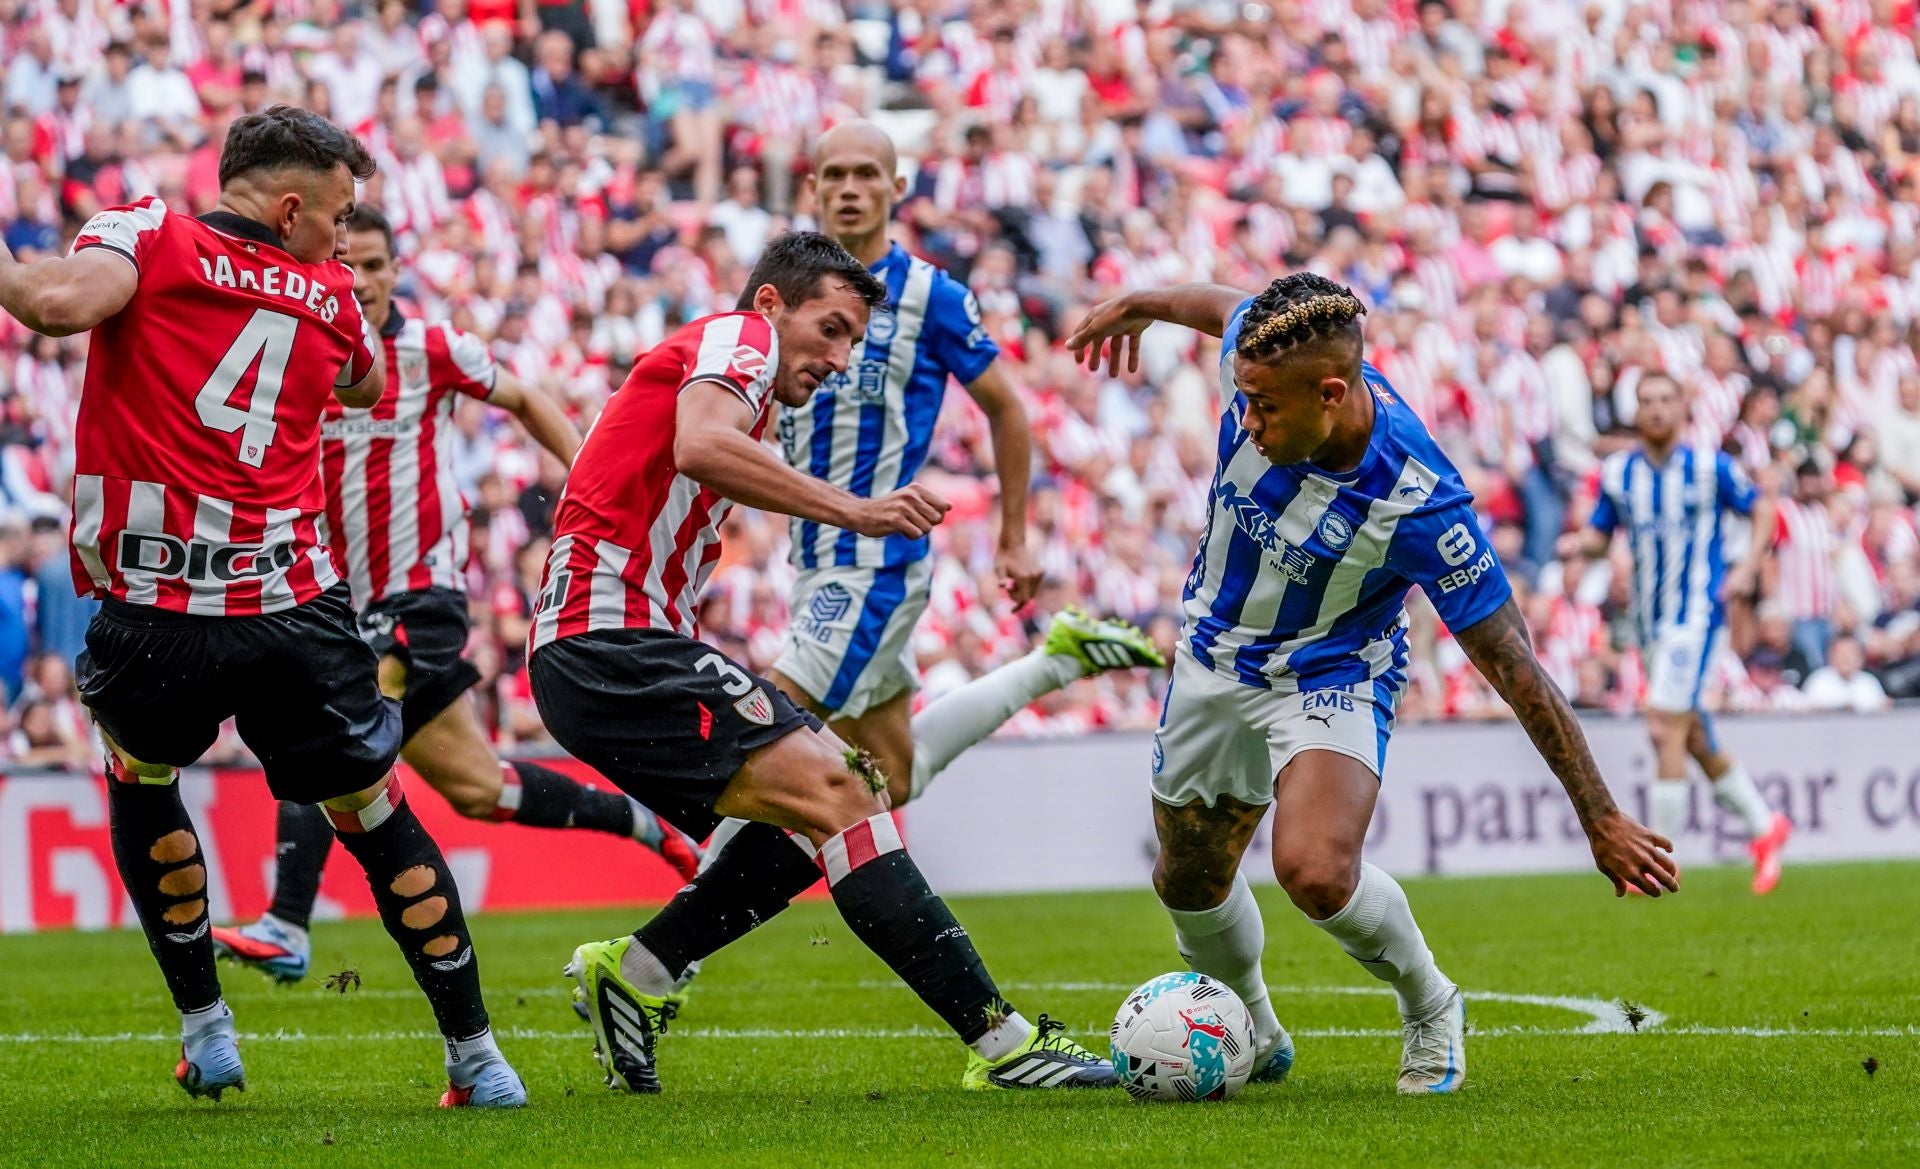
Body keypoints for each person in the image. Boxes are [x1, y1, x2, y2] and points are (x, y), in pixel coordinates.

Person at [0, 107, 523, 1106]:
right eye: (339, 214)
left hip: (155, 608)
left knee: (143, 778)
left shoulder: (149, 233)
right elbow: (368, 386)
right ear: (290, 209)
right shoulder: (331, 293)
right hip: (294, 610)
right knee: (374, 813)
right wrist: (317, 299)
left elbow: (54, 305)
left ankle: (207, 1029)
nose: (344, 235)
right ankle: (477, 1055)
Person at [1066, 273, 1676, 1096]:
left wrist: (1598, 814)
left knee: (1314, 869)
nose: (1244, 421)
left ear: (1330, 393)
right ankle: (1254, 1026)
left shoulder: (1421, 502)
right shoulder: (1262, 356)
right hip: (1214, 654)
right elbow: (1221, 304)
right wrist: (1139, 303)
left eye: (1263, 409)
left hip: (1333, 667)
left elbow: (1513, 664)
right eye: (1241, 399)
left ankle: (1431, 1003)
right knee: (1187, 878)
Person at [534, 231, 1113, 1094]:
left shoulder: (733, 381)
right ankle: (1004, 1043)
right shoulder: (741, 338)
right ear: (772, 303)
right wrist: (857, 510)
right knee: (848, 788)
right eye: (832, 329)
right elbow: (698, 446)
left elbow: (658, 458)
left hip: (610, 647)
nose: (840, 358)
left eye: (852, 340)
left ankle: (644, 970)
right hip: (609, 641)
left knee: (833, 804)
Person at [211, 204, 701, 986]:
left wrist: (588, 489)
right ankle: (646, 825)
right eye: (349, 264)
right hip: (337, 603)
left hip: (420, 599)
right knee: (482, 789)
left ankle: (287, 923)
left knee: (323, 724)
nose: (362, 280)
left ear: (396, 269)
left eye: (375, 264)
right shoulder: (302, 351)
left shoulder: (433, 349)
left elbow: (528, 399)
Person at [702, 120, 1162, 870]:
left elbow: (1008, 407)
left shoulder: (931, 296)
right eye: (836, 176)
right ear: (812, 187)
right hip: (812, 554)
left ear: (897, 188)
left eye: (866, 175)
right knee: (891, 773)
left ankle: (659, 948)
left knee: (762, 732)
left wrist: (1015, 537)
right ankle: (1055, 662)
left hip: (873, 561)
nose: (851, 189)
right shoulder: (777, 290)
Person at [1560, 372, 1791, 894]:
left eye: (1666, 400)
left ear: (1683, 408)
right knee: (1690, 735)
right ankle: (1765, 827)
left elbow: (1762, 508)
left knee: (1664, 724)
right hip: (1649, 622)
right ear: (1636, 411)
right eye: (1647, 401)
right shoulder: (1619, 474)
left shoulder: (1711, 468)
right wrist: (1582, 545)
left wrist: (1750, 565)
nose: (1657, 409)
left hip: (1697, 619)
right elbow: (1601, 532)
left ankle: (1658, 855)